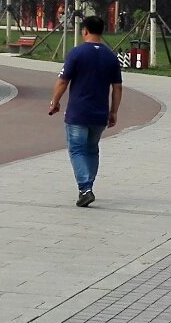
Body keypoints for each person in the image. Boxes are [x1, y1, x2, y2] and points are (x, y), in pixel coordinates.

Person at [48, 15, 124, 208]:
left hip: (78, 113)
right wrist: (113, 111)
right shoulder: (111, 56)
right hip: (100, 114)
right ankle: (88, 186)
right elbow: (117, 87)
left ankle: (85, 189)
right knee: (92, 149)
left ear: (85, 31)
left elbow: (63, 81)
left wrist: (54, 102)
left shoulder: (76, 53)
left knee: (77, 150)